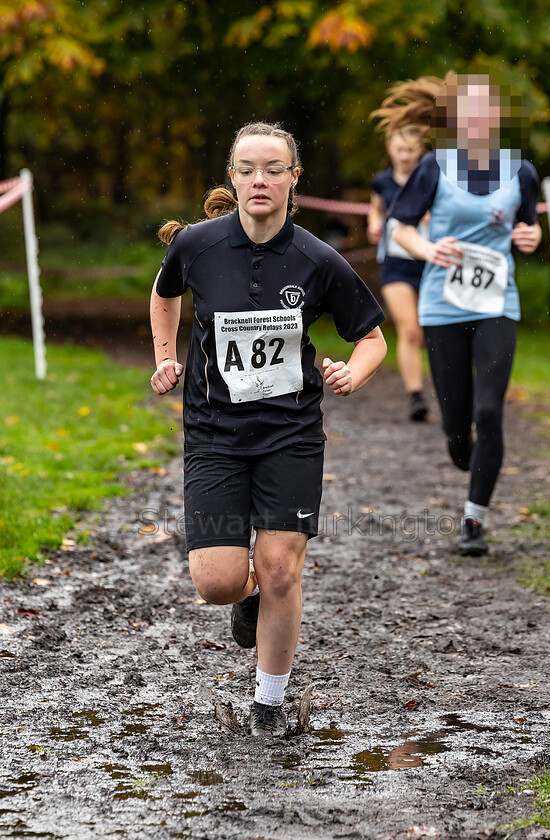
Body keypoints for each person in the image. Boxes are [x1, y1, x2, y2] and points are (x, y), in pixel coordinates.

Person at [149, 121, 387, 737]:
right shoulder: (197, 246)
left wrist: (353, 375)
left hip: (291, 434)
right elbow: (164, 295)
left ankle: (269, 703)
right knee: (218, 583)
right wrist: (164, 355)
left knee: (281, 568)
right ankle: (248, 597)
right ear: (232, 175)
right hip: (214, 433)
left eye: (273, 169)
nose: (260, 180)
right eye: (248, 169)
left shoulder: (317, 258)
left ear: (293, 179)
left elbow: (372, 338)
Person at [388, 72, 542, 556]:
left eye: (485, 111)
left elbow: (528, 229)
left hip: (498, 303)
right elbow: (400, 229)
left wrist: (529, 238)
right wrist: (429, 250)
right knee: (458, 426)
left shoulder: (522, 173)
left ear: (497, 118)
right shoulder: (434, 167)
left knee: (490, 410)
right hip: (442, 306)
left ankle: (474, 520)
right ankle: (465, 453)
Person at [367, 123, 428, 421]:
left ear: (421, 151)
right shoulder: (381, 182)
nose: (405, 156)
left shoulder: (432, 179)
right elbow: (376, 209)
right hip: (396, 262)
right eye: (400, 150)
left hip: (431, 261)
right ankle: (416, 396)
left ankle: (450, 387)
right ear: (391, 149)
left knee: (432, 332)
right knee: (409, 328)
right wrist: (374, 224)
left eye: (411, 150)